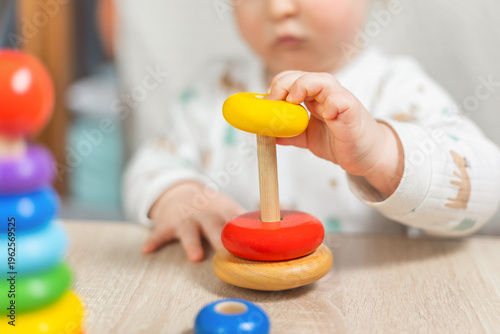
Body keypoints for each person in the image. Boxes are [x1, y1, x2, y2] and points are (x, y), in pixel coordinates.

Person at [124, 0, 500, 262]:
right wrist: (179, 195)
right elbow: (150, 166)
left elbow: (485, 190)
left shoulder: (398, 88)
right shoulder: (213, 90)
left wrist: (381, 152)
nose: (278, 8)